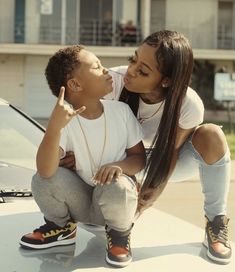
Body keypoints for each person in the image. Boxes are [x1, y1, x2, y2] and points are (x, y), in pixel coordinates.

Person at [61, 30, 232, 265]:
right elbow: (76, 114)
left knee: (212, 134)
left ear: (166, 80)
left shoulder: (188, 104)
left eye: (143, 70)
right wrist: (73, 152)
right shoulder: (114, 82)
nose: (131, 70)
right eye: (133, 59)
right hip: (124, 158)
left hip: (165, 160)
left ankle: (216, 222)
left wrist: (152, 192)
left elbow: (170, 152)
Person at [19, 45, 146, 268]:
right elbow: (46, 171)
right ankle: (62, 228)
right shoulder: (63, 121)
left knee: (117, 186)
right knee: (42, 180)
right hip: (81, 202)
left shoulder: (121, 112)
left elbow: (139, 158)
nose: (106, 70)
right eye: (97, 67)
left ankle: (119, 234)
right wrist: (54, 129)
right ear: (75, 85)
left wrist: (119, 166)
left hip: (112, 201)